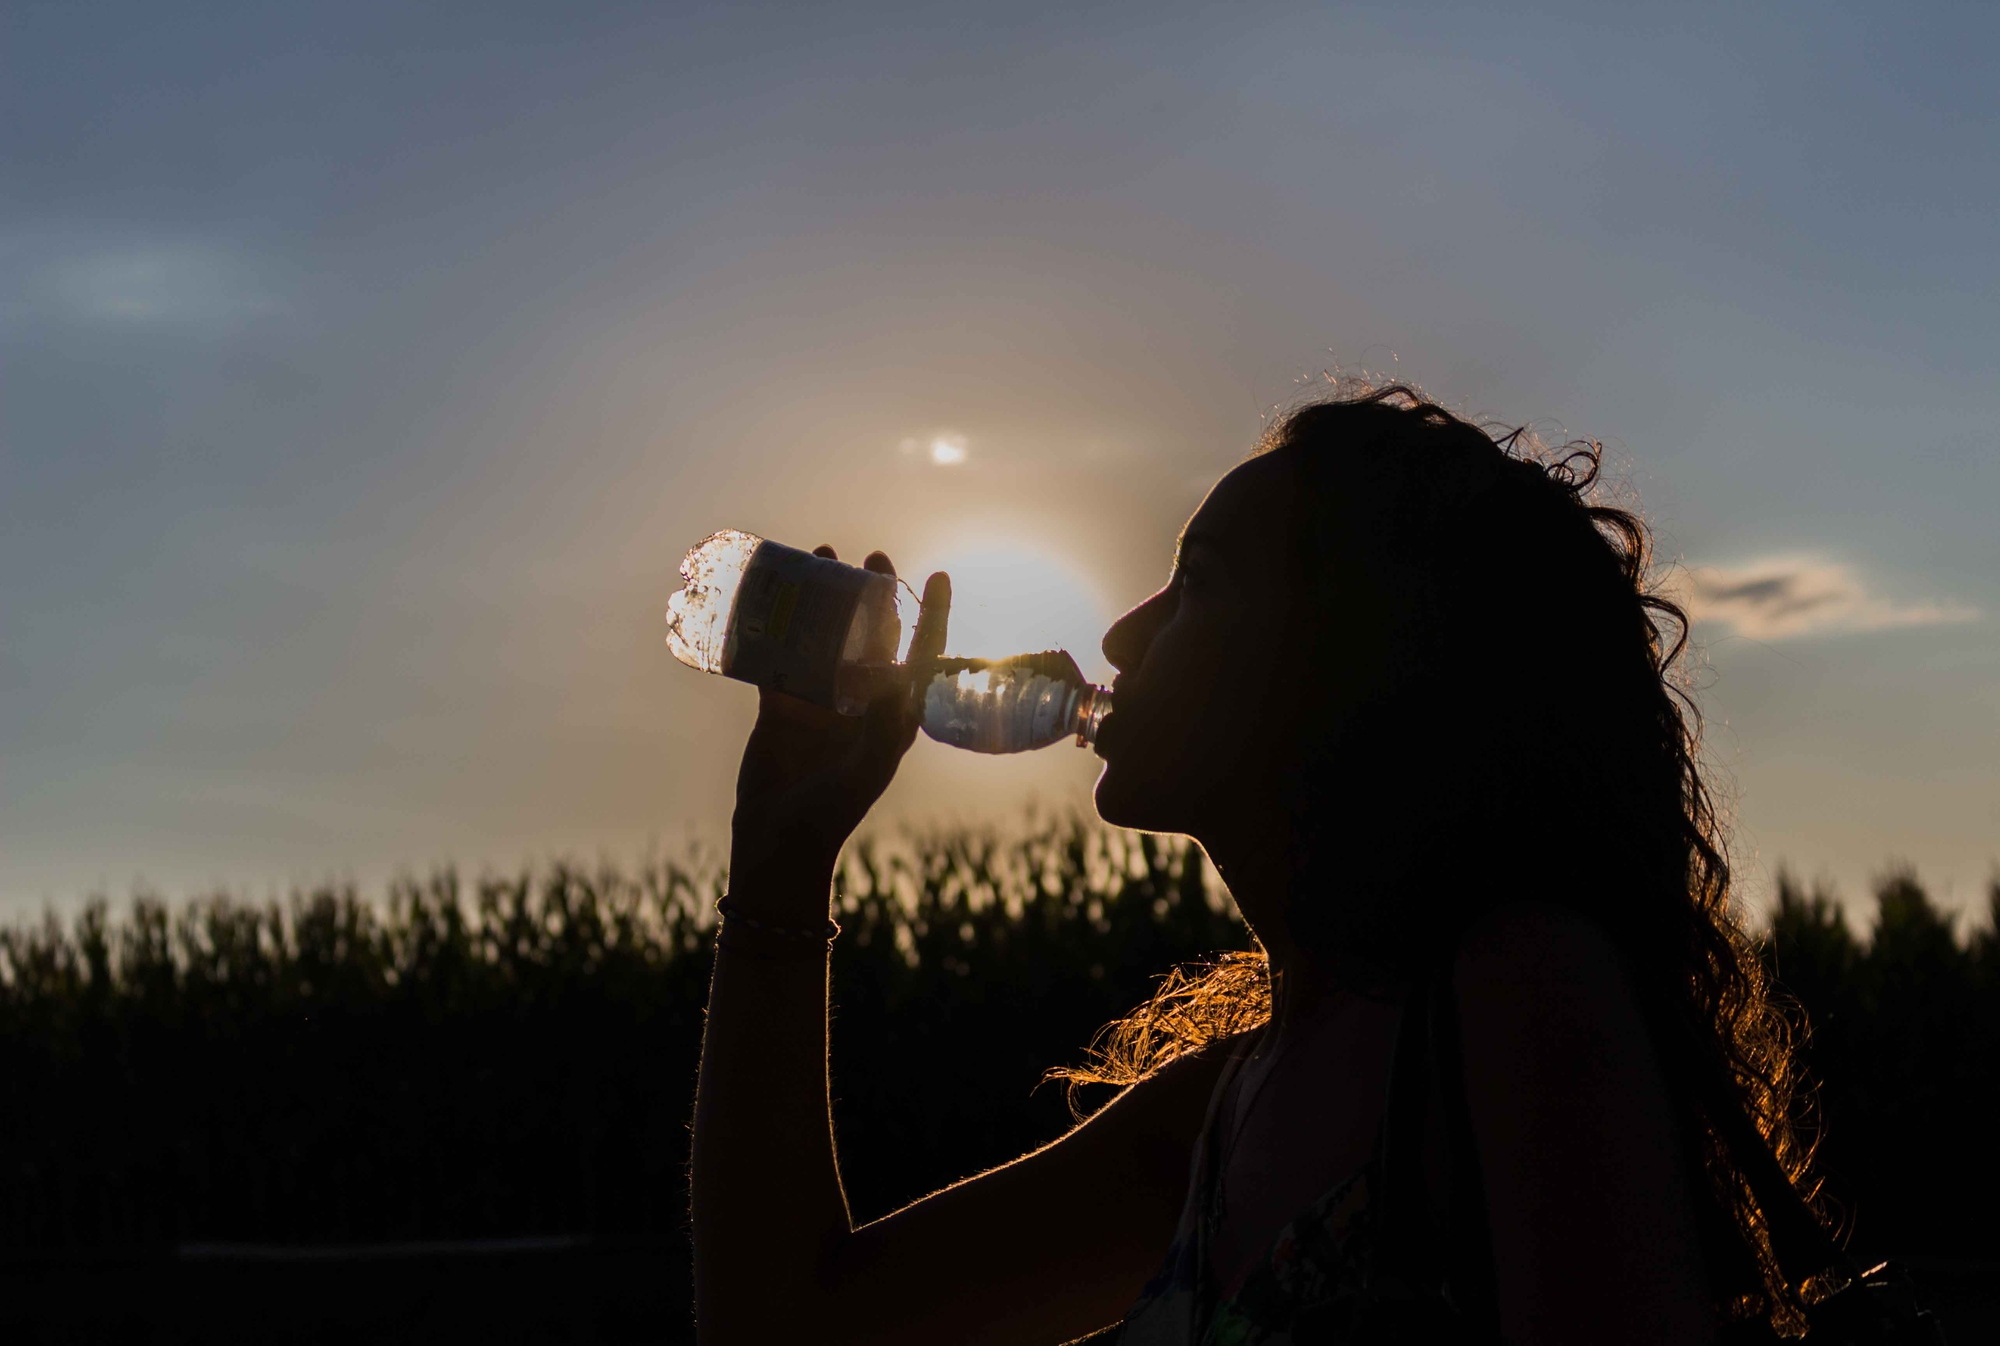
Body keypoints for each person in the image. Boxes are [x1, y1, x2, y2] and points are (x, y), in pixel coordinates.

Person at [690, 385, 1820, 1345]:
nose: (1124, 636)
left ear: (1353, 654)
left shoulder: (1512, 992)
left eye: (1198, 580)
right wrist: (782, 852)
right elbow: (786, 1320)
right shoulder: (1218, 1112)